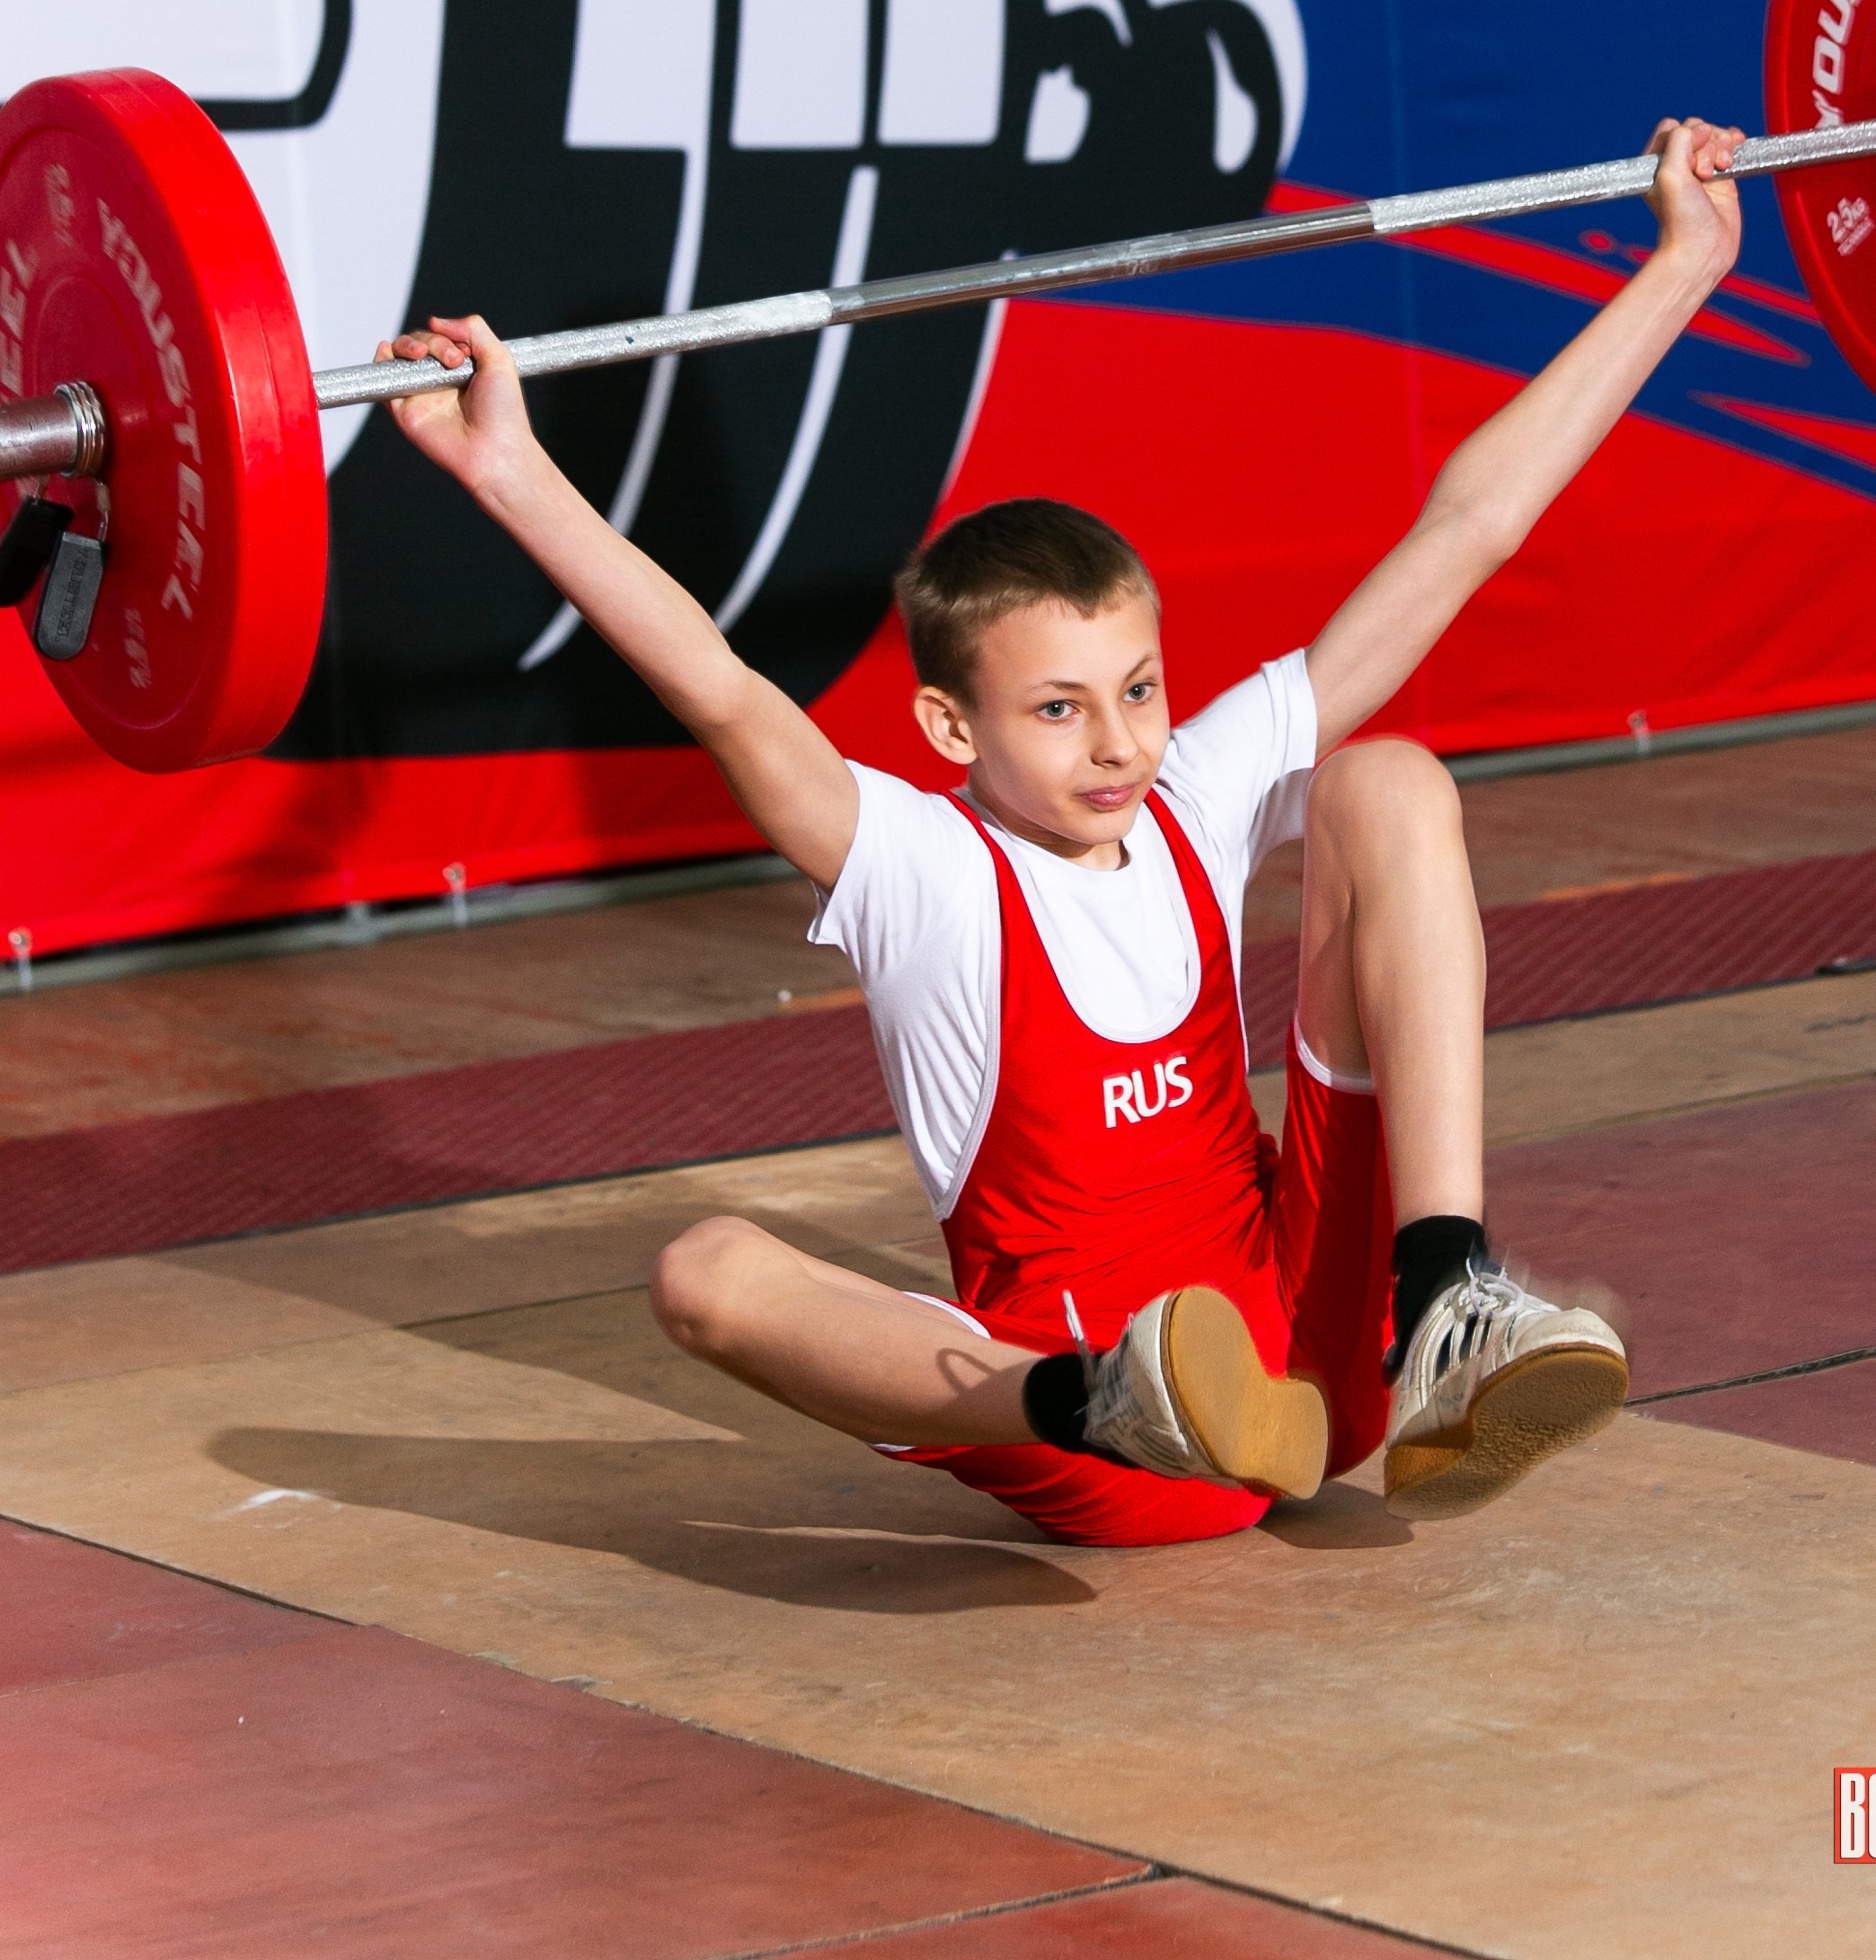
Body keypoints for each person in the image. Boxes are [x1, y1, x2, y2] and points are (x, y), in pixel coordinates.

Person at [380, 113, 1744, 1545]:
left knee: (1391, 776)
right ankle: (1108, 1394)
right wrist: (508, 473)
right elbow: (723, 689)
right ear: (951, 732)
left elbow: (1466, 528)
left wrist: (1681, 267)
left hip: (1309, 1378)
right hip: (1094, 1437)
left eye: (1141, 689)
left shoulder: (1190, 802)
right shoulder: (927, 873)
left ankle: (1447, 1296)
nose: (1120, 742)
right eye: (1058, 710)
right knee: (703, 1273)